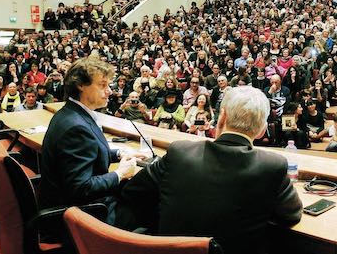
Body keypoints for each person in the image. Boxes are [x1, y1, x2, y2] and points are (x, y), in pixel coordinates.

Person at [116, 86, 302, 254]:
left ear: (221, 117)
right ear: (262, 129)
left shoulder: (180, 152)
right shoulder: (272, 165)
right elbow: (291, 215)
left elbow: (133, 191)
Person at [40, 55, 141, 225]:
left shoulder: (71, 113)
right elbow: (81, 188)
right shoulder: (76, 128)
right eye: (102, 85)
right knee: (149, 207)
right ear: (81, 85)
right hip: (83, 216)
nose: (109, 91)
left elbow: (90, 150)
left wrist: (119, 153)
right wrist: (120, 173)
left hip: (78, 205)